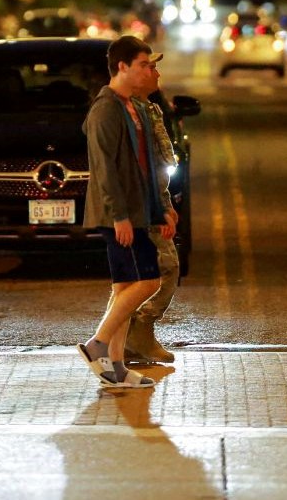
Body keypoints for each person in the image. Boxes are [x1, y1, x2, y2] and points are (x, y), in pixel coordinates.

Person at [77, 35, 169, 389]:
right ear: (122, 67)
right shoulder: (106, 109)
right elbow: (105, 169)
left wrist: (161, 209)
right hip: (118, 215)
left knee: (125, 287)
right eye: (144, 65)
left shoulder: (133, 107)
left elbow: (144, 167)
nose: (150, 70)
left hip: (135, 211)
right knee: (149, 281)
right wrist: (119, 216)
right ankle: (97, 344)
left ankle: (116, 368)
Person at [126, 63, 181, 365]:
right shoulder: (129, 113)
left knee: (157, 270)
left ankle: (131, 339)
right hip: (141, 208)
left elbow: (159, 166)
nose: (158, 74)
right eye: (150, 68)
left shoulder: (150, 109)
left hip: (154, 202)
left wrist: (167, 204)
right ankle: (137, 332)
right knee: (164, 269)